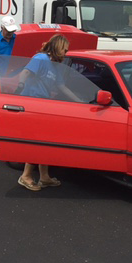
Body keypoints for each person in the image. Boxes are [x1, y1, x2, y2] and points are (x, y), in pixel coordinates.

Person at [14, 34, 78, 191]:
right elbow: (26, 72)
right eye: (65, 49)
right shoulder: (40, 58)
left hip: (43, 106)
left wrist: (80, 101)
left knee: (46, 140)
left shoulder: (55, 66)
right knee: (38, 141)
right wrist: (21, 85)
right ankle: (26, 176)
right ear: (57, 47)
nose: (66, 53)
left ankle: (44, 177)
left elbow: (62, 87)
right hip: (31, 104)